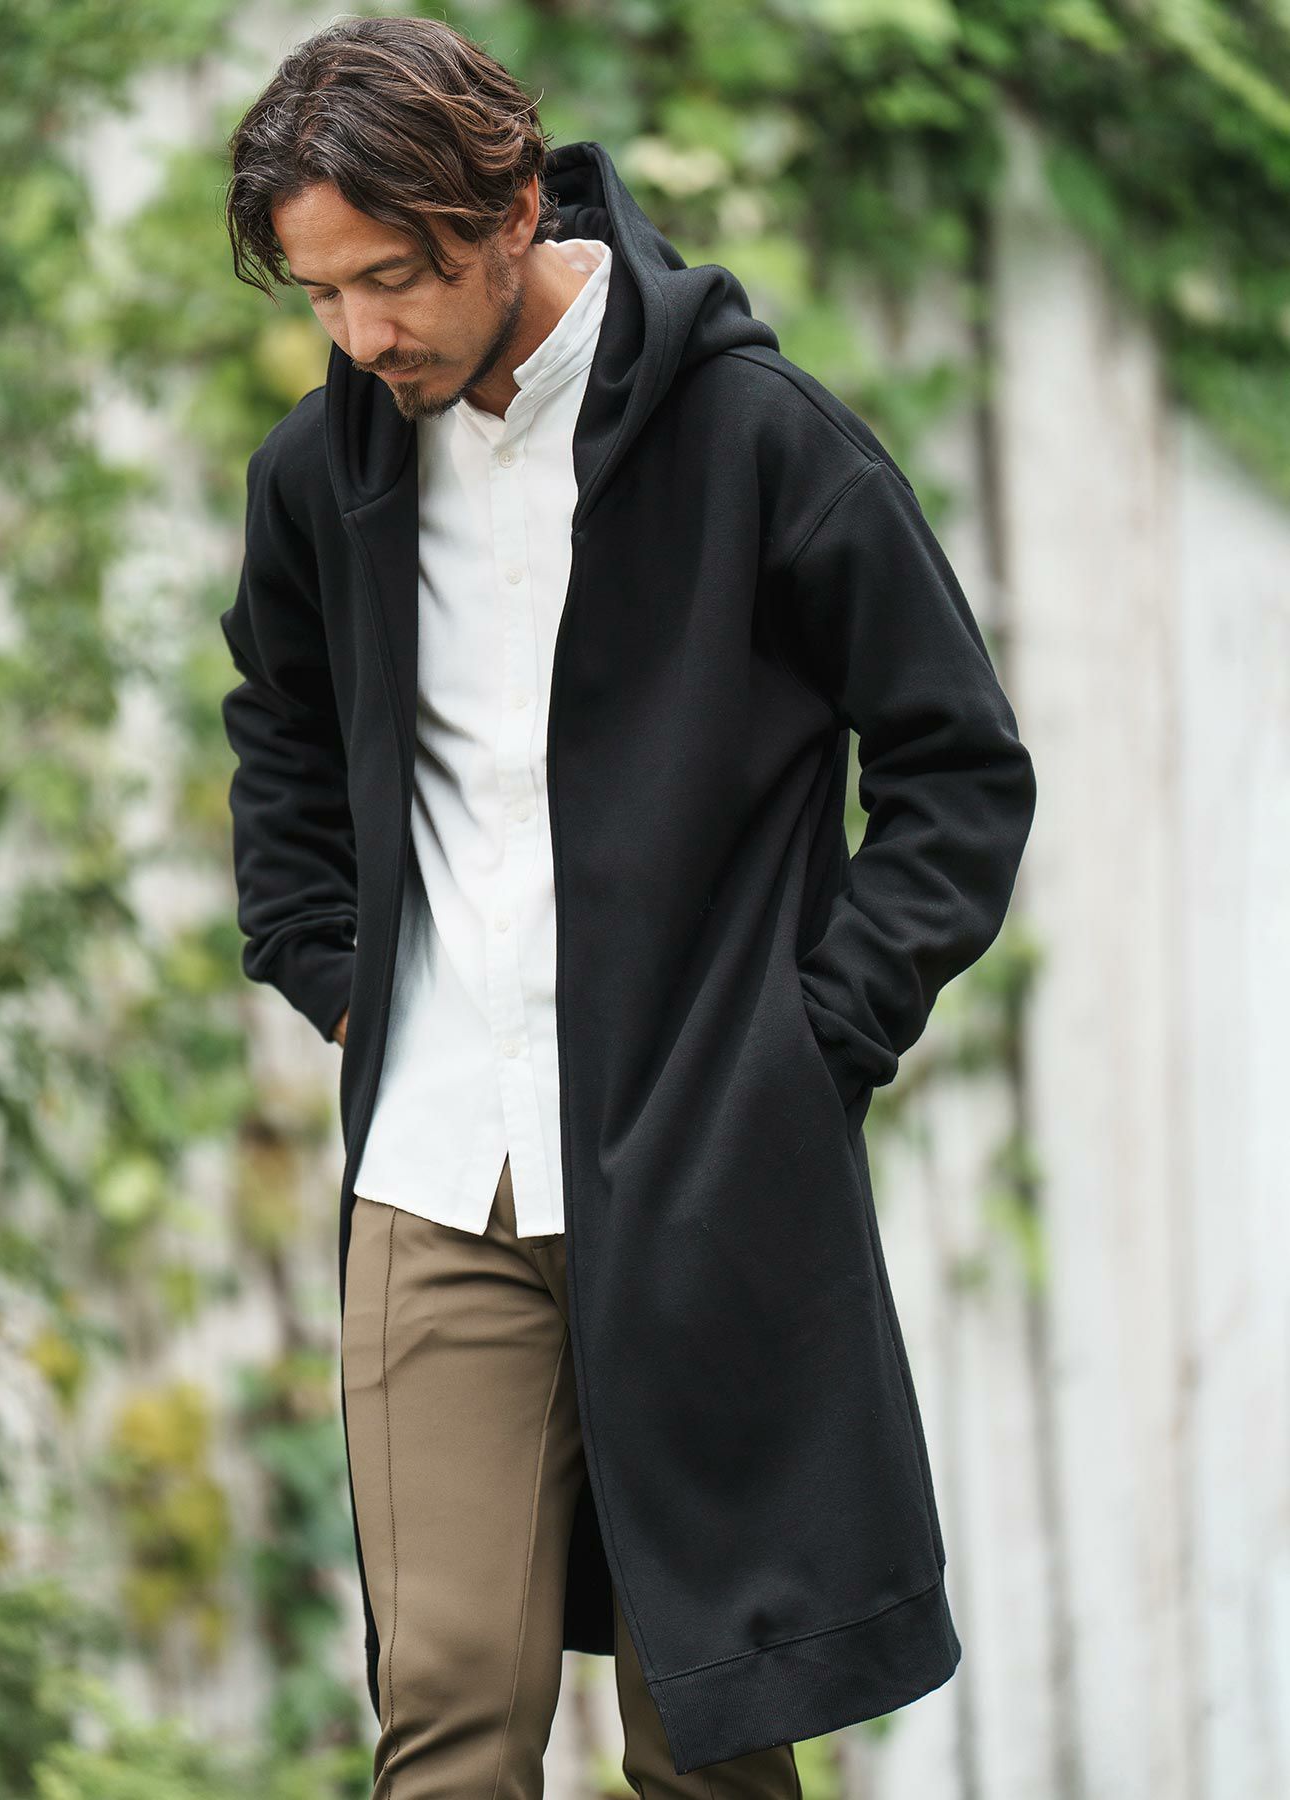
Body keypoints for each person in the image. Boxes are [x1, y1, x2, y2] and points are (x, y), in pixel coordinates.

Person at [219, 16, 1036, 1798]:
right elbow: (278, 736)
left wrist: (810, 1043)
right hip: (437, 1168)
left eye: (391, 279)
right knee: (448, 1714)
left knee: (707, 1731)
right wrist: (335, 971)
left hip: (704, 1167)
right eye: (323, 295)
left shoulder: (760, 440)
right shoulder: (322, 476)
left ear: (512, 208)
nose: (361, 337)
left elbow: (960, 769)